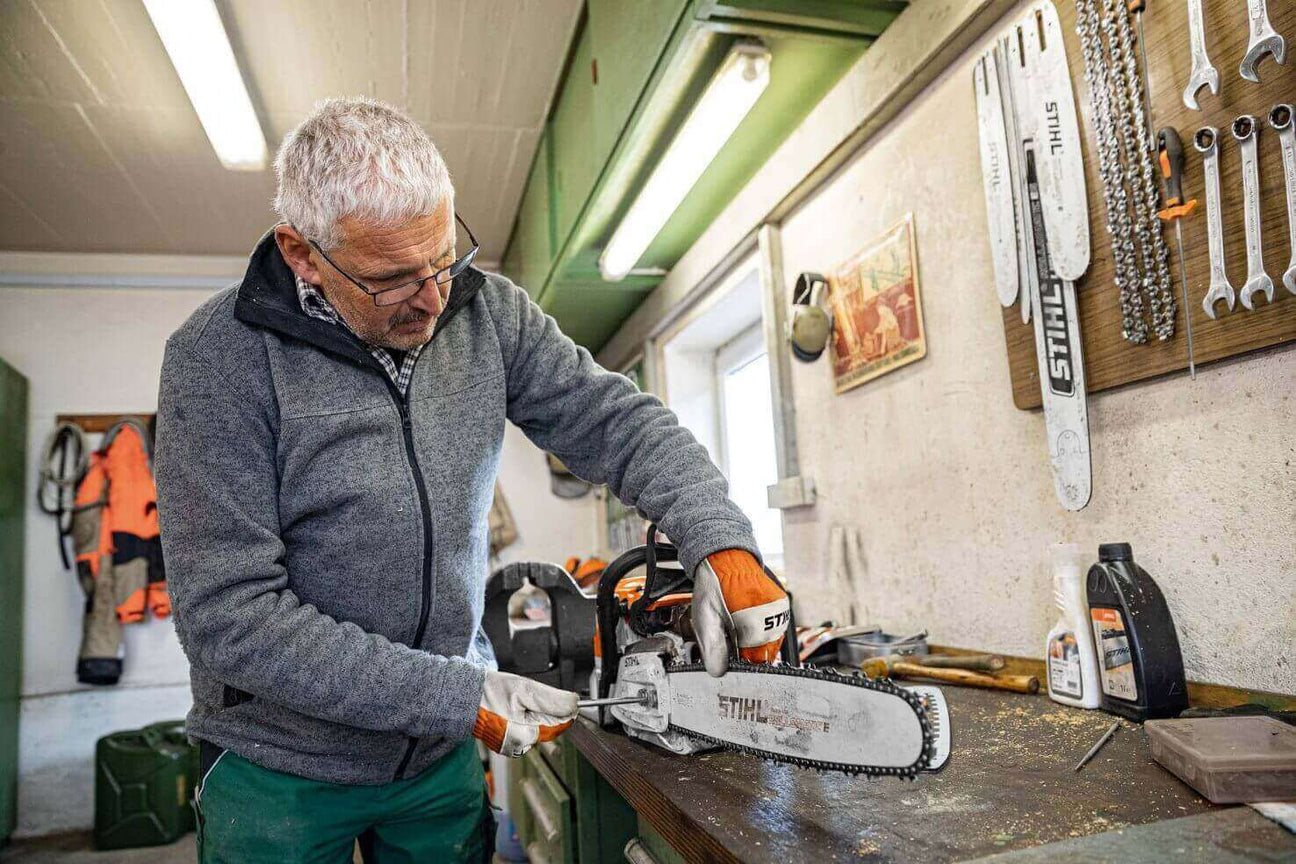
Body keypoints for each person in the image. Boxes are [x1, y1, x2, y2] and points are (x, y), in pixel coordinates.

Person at [153, 97, 789, 863]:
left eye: (445, 259)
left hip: (435, 757)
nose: (434, 297)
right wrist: (459, 695)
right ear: (302, 253)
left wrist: (719, 538)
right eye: (392, 280)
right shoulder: (218, 361)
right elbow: (231, 618)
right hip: (279, 768)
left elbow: (620, 423)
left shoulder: (491, 316)